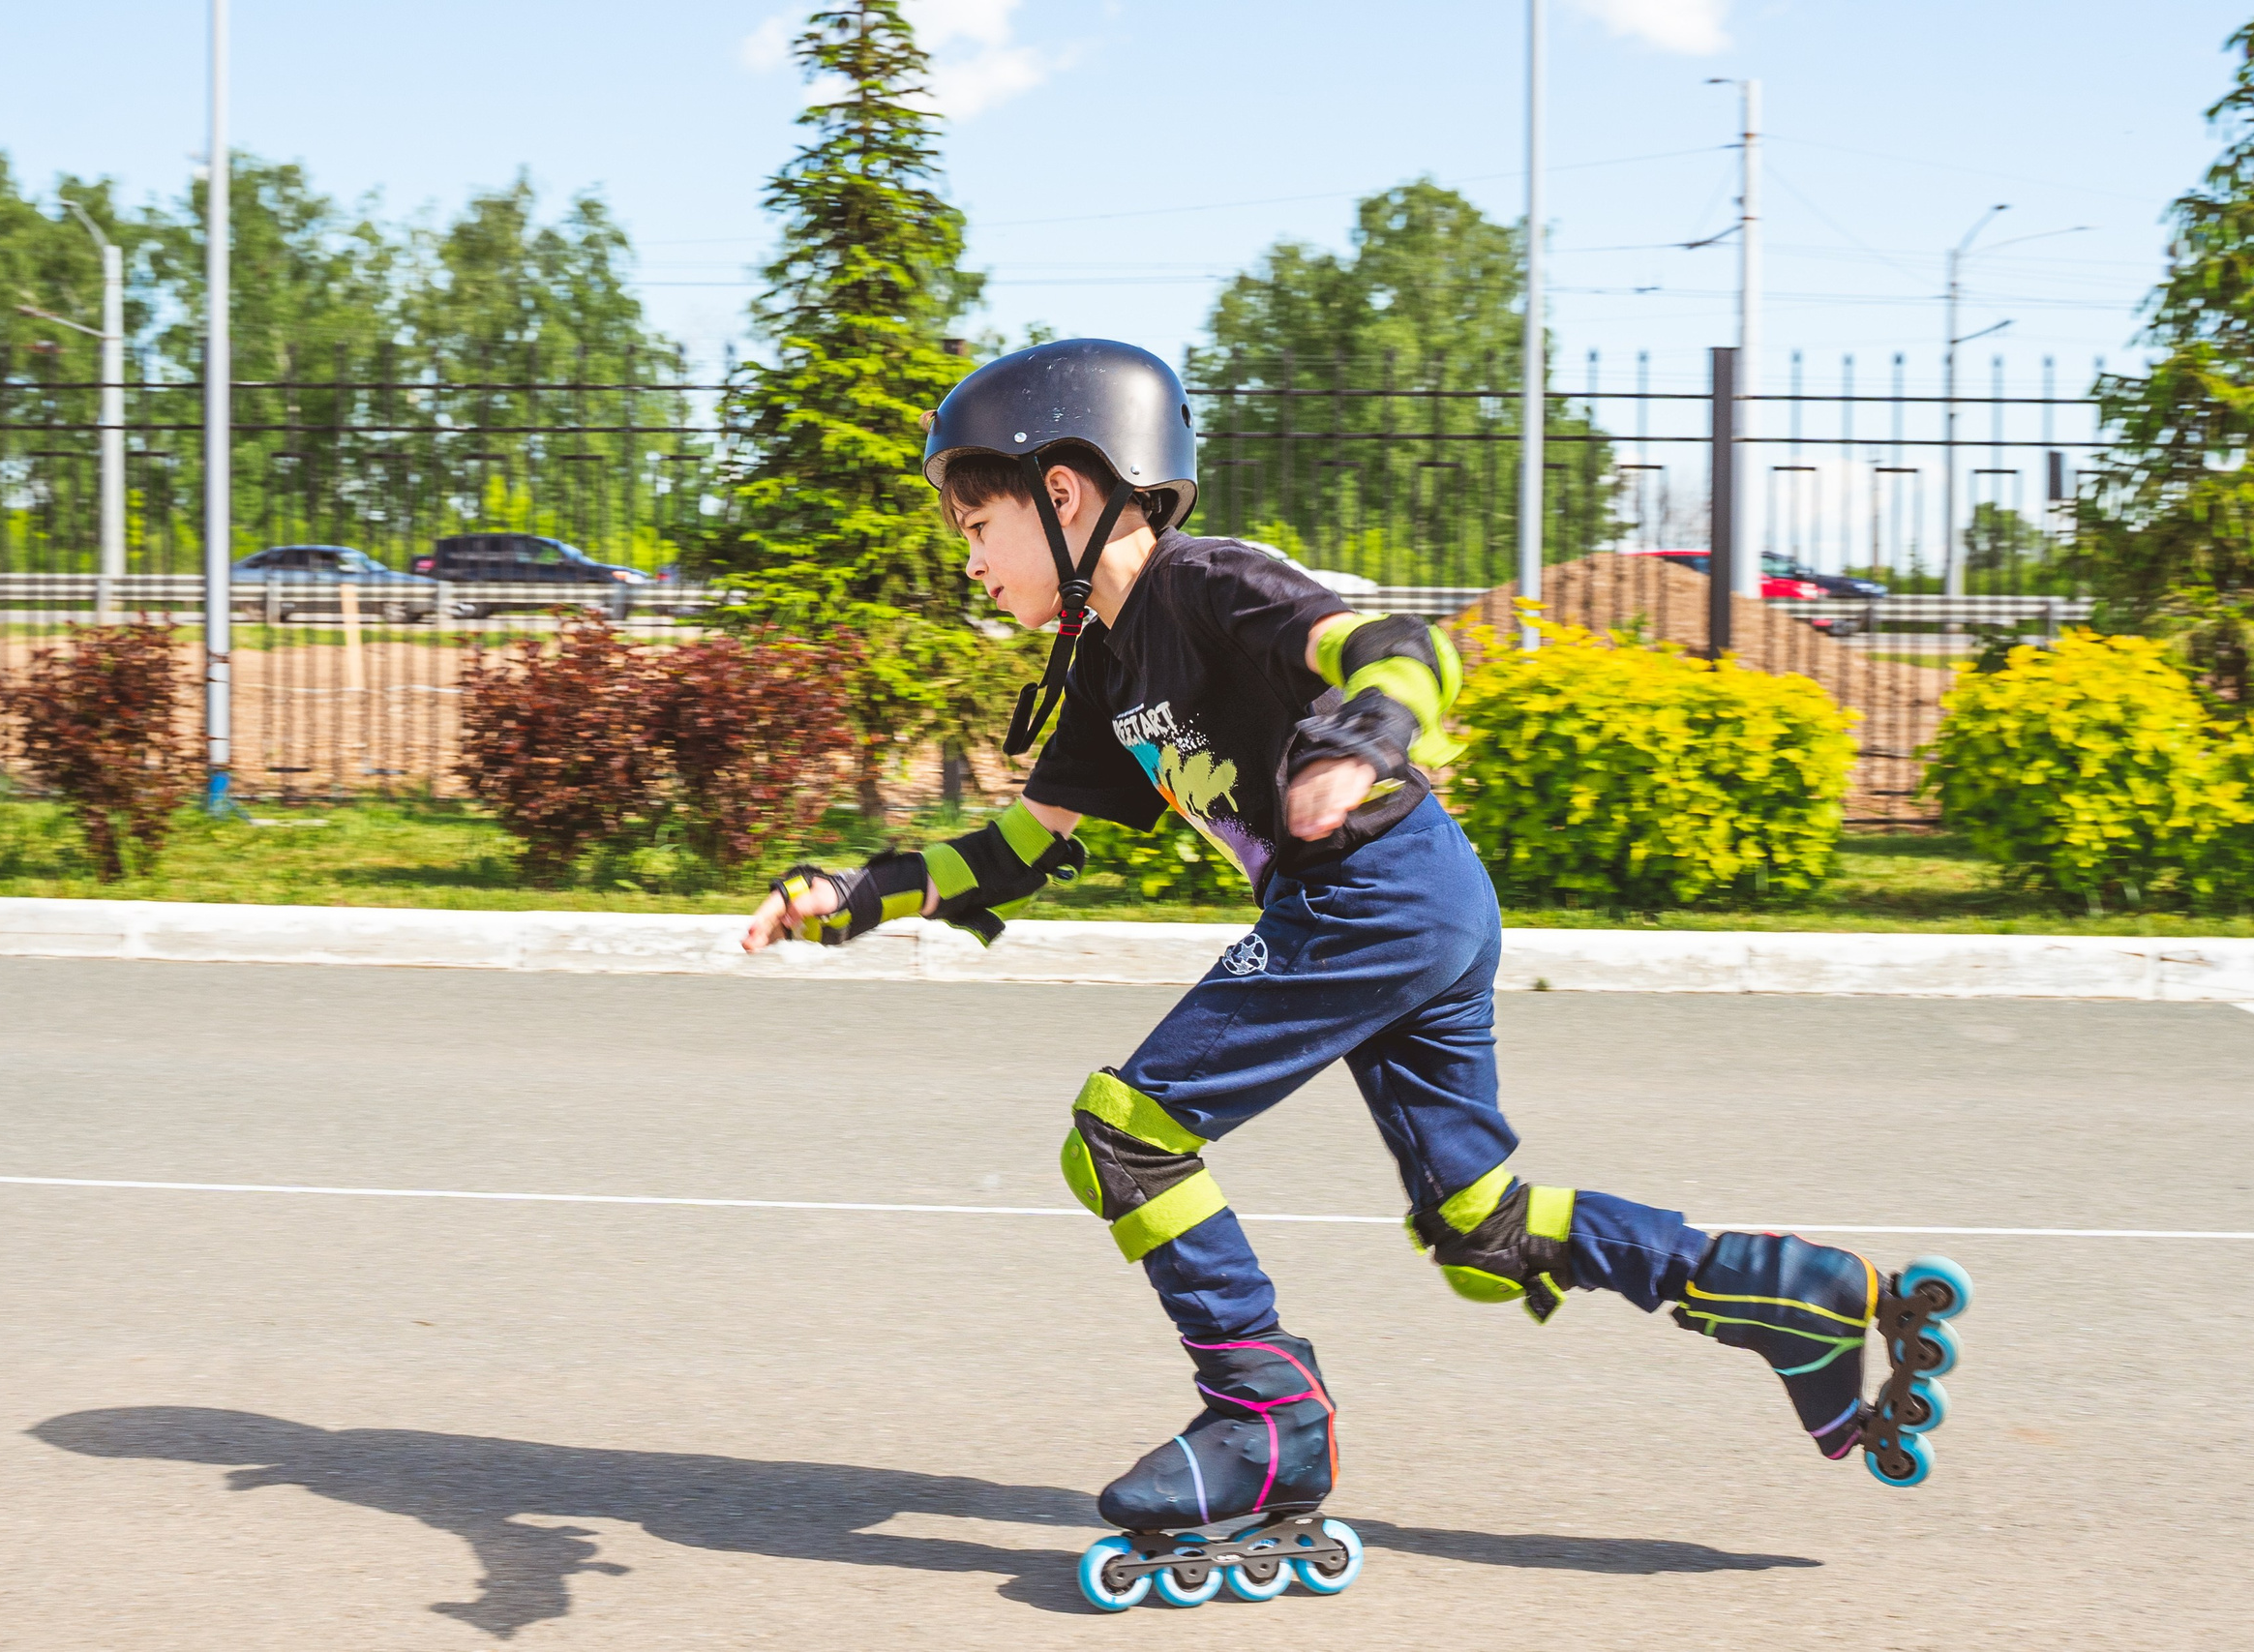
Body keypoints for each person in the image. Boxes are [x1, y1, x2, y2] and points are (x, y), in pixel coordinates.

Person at [742, 340, 1967, 1603]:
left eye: (976, 519)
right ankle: (1784, 1292)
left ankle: (1265, 1418)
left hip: (1374, 891)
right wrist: (854, 898)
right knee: (1482, 1229)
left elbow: (1390, 642)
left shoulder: (1206, 584)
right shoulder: (1111, 672)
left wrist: (1355, 741)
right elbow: (1014, 849)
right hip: (1410, 903)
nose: (968, 559)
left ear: (1064, 494)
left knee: (1124, 1133)